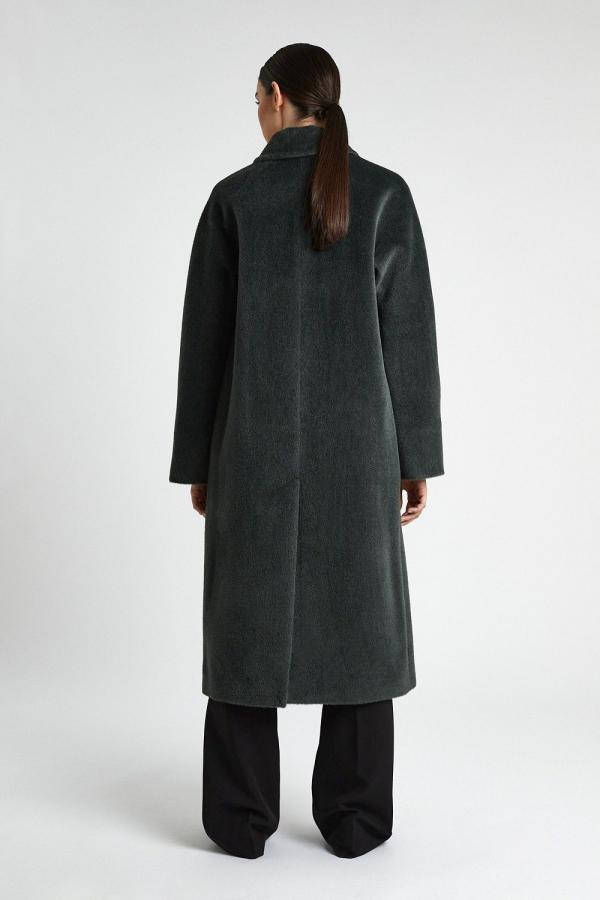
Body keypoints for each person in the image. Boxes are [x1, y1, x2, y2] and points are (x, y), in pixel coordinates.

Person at [169, 42, 444, 859]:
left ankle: (239, 821)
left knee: (246, 624)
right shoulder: (385, 194)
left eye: (256, 99)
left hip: (250, 446)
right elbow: (409, 339)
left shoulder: (235, 199)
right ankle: (355, 820)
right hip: (359, 451)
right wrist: (414, 456)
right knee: (358, 622)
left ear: (277, 96)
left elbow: (204, 344)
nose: (256, 112)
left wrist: (199, 462)